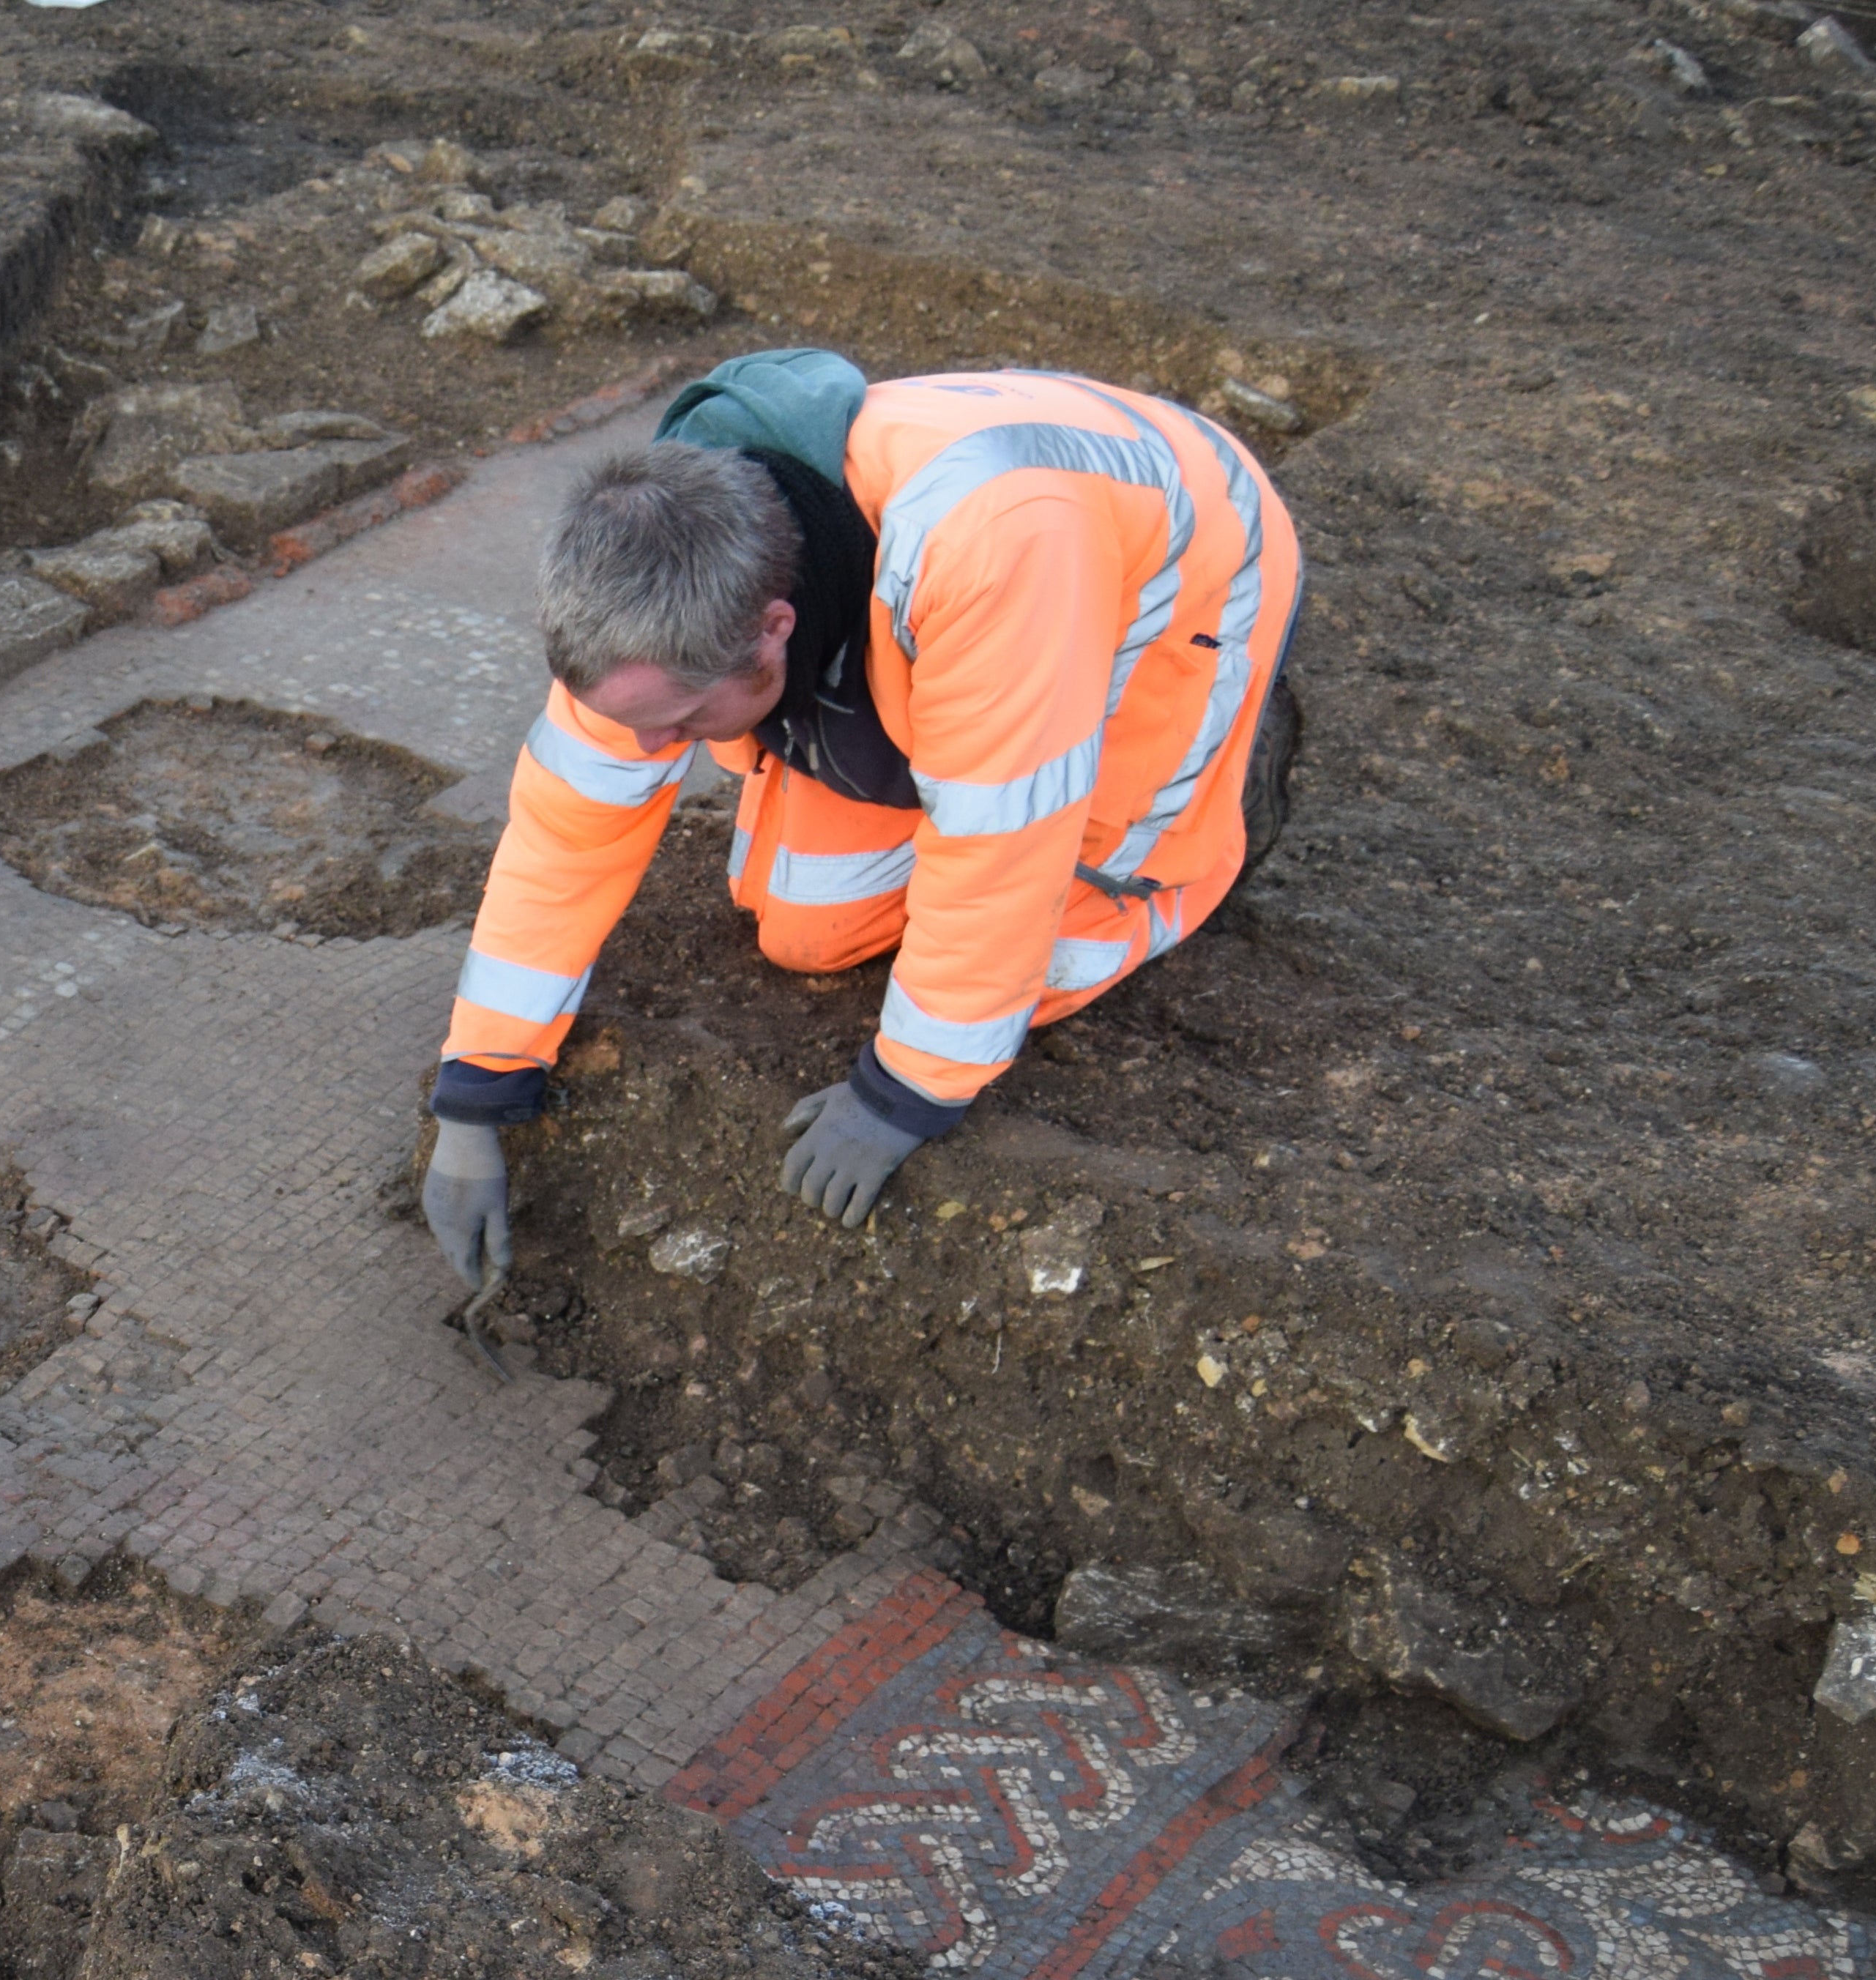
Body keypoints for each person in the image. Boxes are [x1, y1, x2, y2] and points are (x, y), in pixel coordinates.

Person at [421, 348, 1300, 1282]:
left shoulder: (987, 546)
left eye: (679, 724)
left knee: (1047, 928)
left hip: (1166, 596)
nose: (652, 750)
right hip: (973, 605)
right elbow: (565, 838)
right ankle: (945, 734)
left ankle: (1209, 809)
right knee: (808, 927)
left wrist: (904, 1093)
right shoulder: (647, 599)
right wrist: (477, 1095)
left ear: (775, 629)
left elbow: (1002, 844)